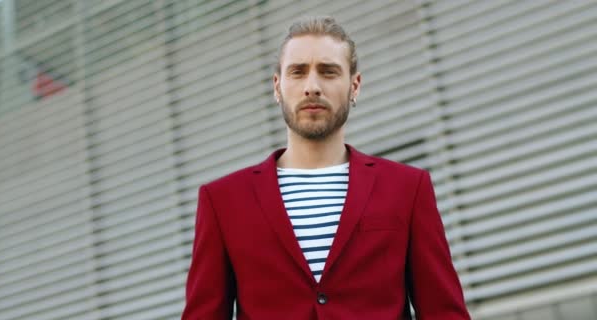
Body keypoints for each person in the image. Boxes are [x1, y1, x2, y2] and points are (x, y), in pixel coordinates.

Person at [181, 16, 470, 320]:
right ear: (277, 87)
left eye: (329, 72)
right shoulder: (223, 201)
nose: (312, 87)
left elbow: (443, 312)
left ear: (354, 86)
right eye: (298, 72)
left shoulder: (408, 188)